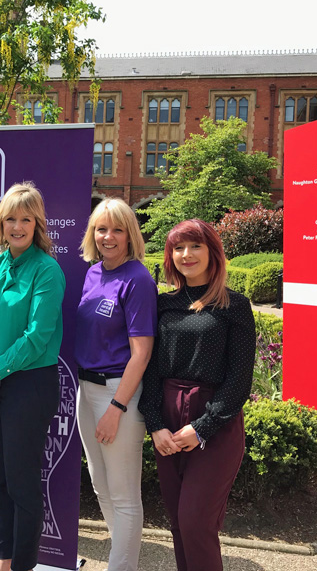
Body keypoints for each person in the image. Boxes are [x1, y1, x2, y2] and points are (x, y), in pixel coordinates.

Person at [138, 219, 255, 571]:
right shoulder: (163, 304)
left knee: (196, 523)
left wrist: (202, 427)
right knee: (178, 522)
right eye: (178, 248)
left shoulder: (234, 306)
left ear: (212, 252)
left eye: (195, 246)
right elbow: (150, 368)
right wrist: (155, 424)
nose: (186, 254)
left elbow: (240, 379)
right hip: (168, 421)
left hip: (214, 423)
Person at [0, 182, 65, 571]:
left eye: (26, 219)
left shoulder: (47, 270)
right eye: (11, 219)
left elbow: (37, 336)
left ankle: (22, 566)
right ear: (1, 223)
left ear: (37, 223)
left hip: (28, 386)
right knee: (1, 481)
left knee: (22, 485)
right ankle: (4, 561)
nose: (18, 226)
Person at [74, 198, 156, 571]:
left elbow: (142, 354)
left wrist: (117, 408)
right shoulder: (93, 273)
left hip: (117, 393)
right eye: (101, 229)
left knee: (123, 495)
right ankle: (121, 560)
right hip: (86, 390)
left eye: (117, 229)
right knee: (101, 487)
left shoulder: (138, 279)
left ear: (130, 235)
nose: (108, 237)